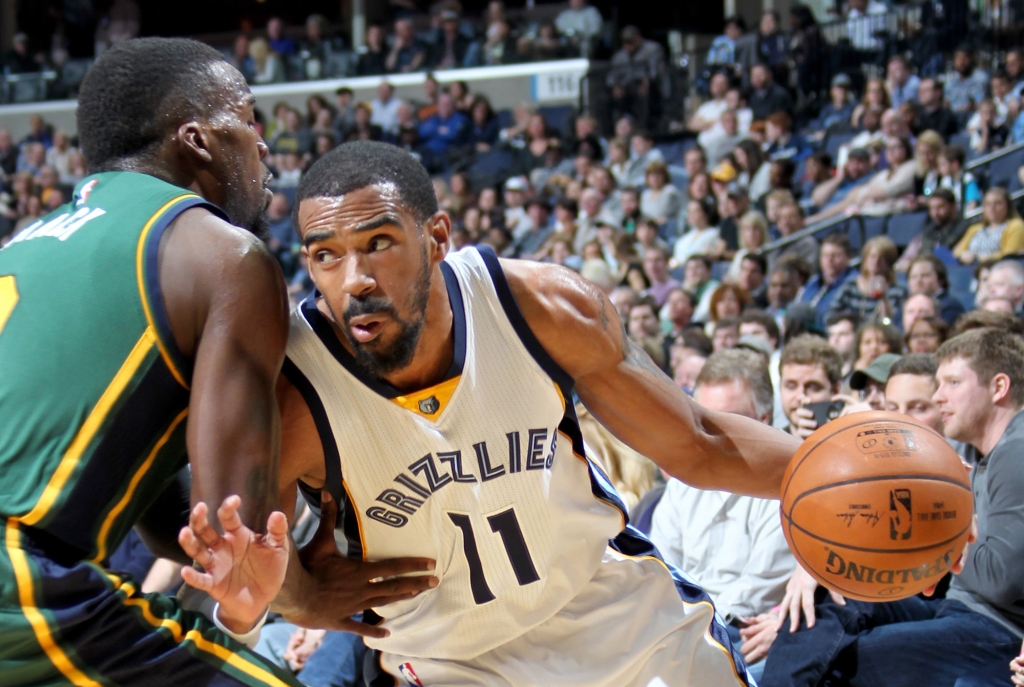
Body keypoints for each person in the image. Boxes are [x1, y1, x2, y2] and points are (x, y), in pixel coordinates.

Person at [273, 140, 804, 684]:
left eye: (378, 242)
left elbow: (699, 441)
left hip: (623, 627)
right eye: (325, 255)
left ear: (436, 238)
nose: (354, 278)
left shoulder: (543, 307)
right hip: (450, 663)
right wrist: (301, 598)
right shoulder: (292, 390)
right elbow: (252, 566)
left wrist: (841, 469)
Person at [0, 37, 316, 687]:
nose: (263, 146)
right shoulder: (225, 254)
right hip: (20, 580)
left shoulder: (27, 243)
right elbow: (229, 528)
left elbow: (161, 515)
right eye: (248, 119)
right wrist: (315, 591)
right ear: (197, 140)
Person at [761, 327, 1024, 687]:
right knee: (835, 589)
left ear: (998, 387)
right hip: (957, 608)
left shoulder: (1017, 450)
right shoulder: (987, 455)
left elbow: (1003, 581)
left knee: (848, 662)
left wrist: (939, 539)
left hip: (998, 627)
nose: (939, 395)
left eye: (952, 383)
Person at [650, 349, 796, 681]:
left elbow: (755, 592)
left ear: (764, 419)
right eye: (704, 420)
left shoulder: (791, 486)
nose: (712, 434)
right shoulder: (681, 483)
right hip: (678, 631)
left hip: (744, 636)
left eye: (729, 419)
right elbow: (660, 571)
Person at [827, 236, 907, 322]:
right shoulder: (850, 286)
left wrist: (884, 298)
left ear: (889, 262)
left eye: (881, 258)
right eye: (872, 256)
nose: (876, 262)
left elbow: (889, 322)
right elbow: (829, 315)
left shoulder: (898, 291)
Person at [778, 335, 843, 439]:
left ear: (835, 390)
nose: (801, 397)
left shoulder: (850, 443)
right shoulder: (770, 448)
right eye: (791, 386)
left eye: (812, 387)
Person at [798, 232, 857, 324]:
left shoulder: (853, 284)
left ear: (848, 257)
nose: (829, 260)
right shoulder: (814, 281)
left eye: (835, 255)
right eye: (825, 255)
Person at [954, 187, 1024, 264]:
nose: (992, 208)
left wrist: (981, 258)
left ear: (1008, 206)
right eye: (988, 204)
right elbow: (956, 252)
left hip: (1000, 269)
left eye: (998, 203)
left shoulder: (1016, 225)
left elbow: (1010, 255)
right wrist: (963, 254)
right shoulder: (974, 228)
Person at [906, 254, 967, 326]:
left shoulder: (951, 307)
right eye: (913, 277)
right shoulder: (903, 307)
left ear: (940, 280)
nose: (918, 281)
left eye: (925, 275)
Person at [765, 203, 817, 274]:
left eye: (791, 217)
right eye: (783, 218)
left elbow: (809, 271)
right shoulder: (774, 247)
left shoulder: (809, 244)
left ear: (801, 220)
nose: (786, 222)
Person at [827, 311, 861, 378]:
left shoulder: (863, 372)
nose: (835, 339)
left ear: (856, 337)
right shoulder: (824, 371)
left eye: (842, 334)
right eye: (832, 334)